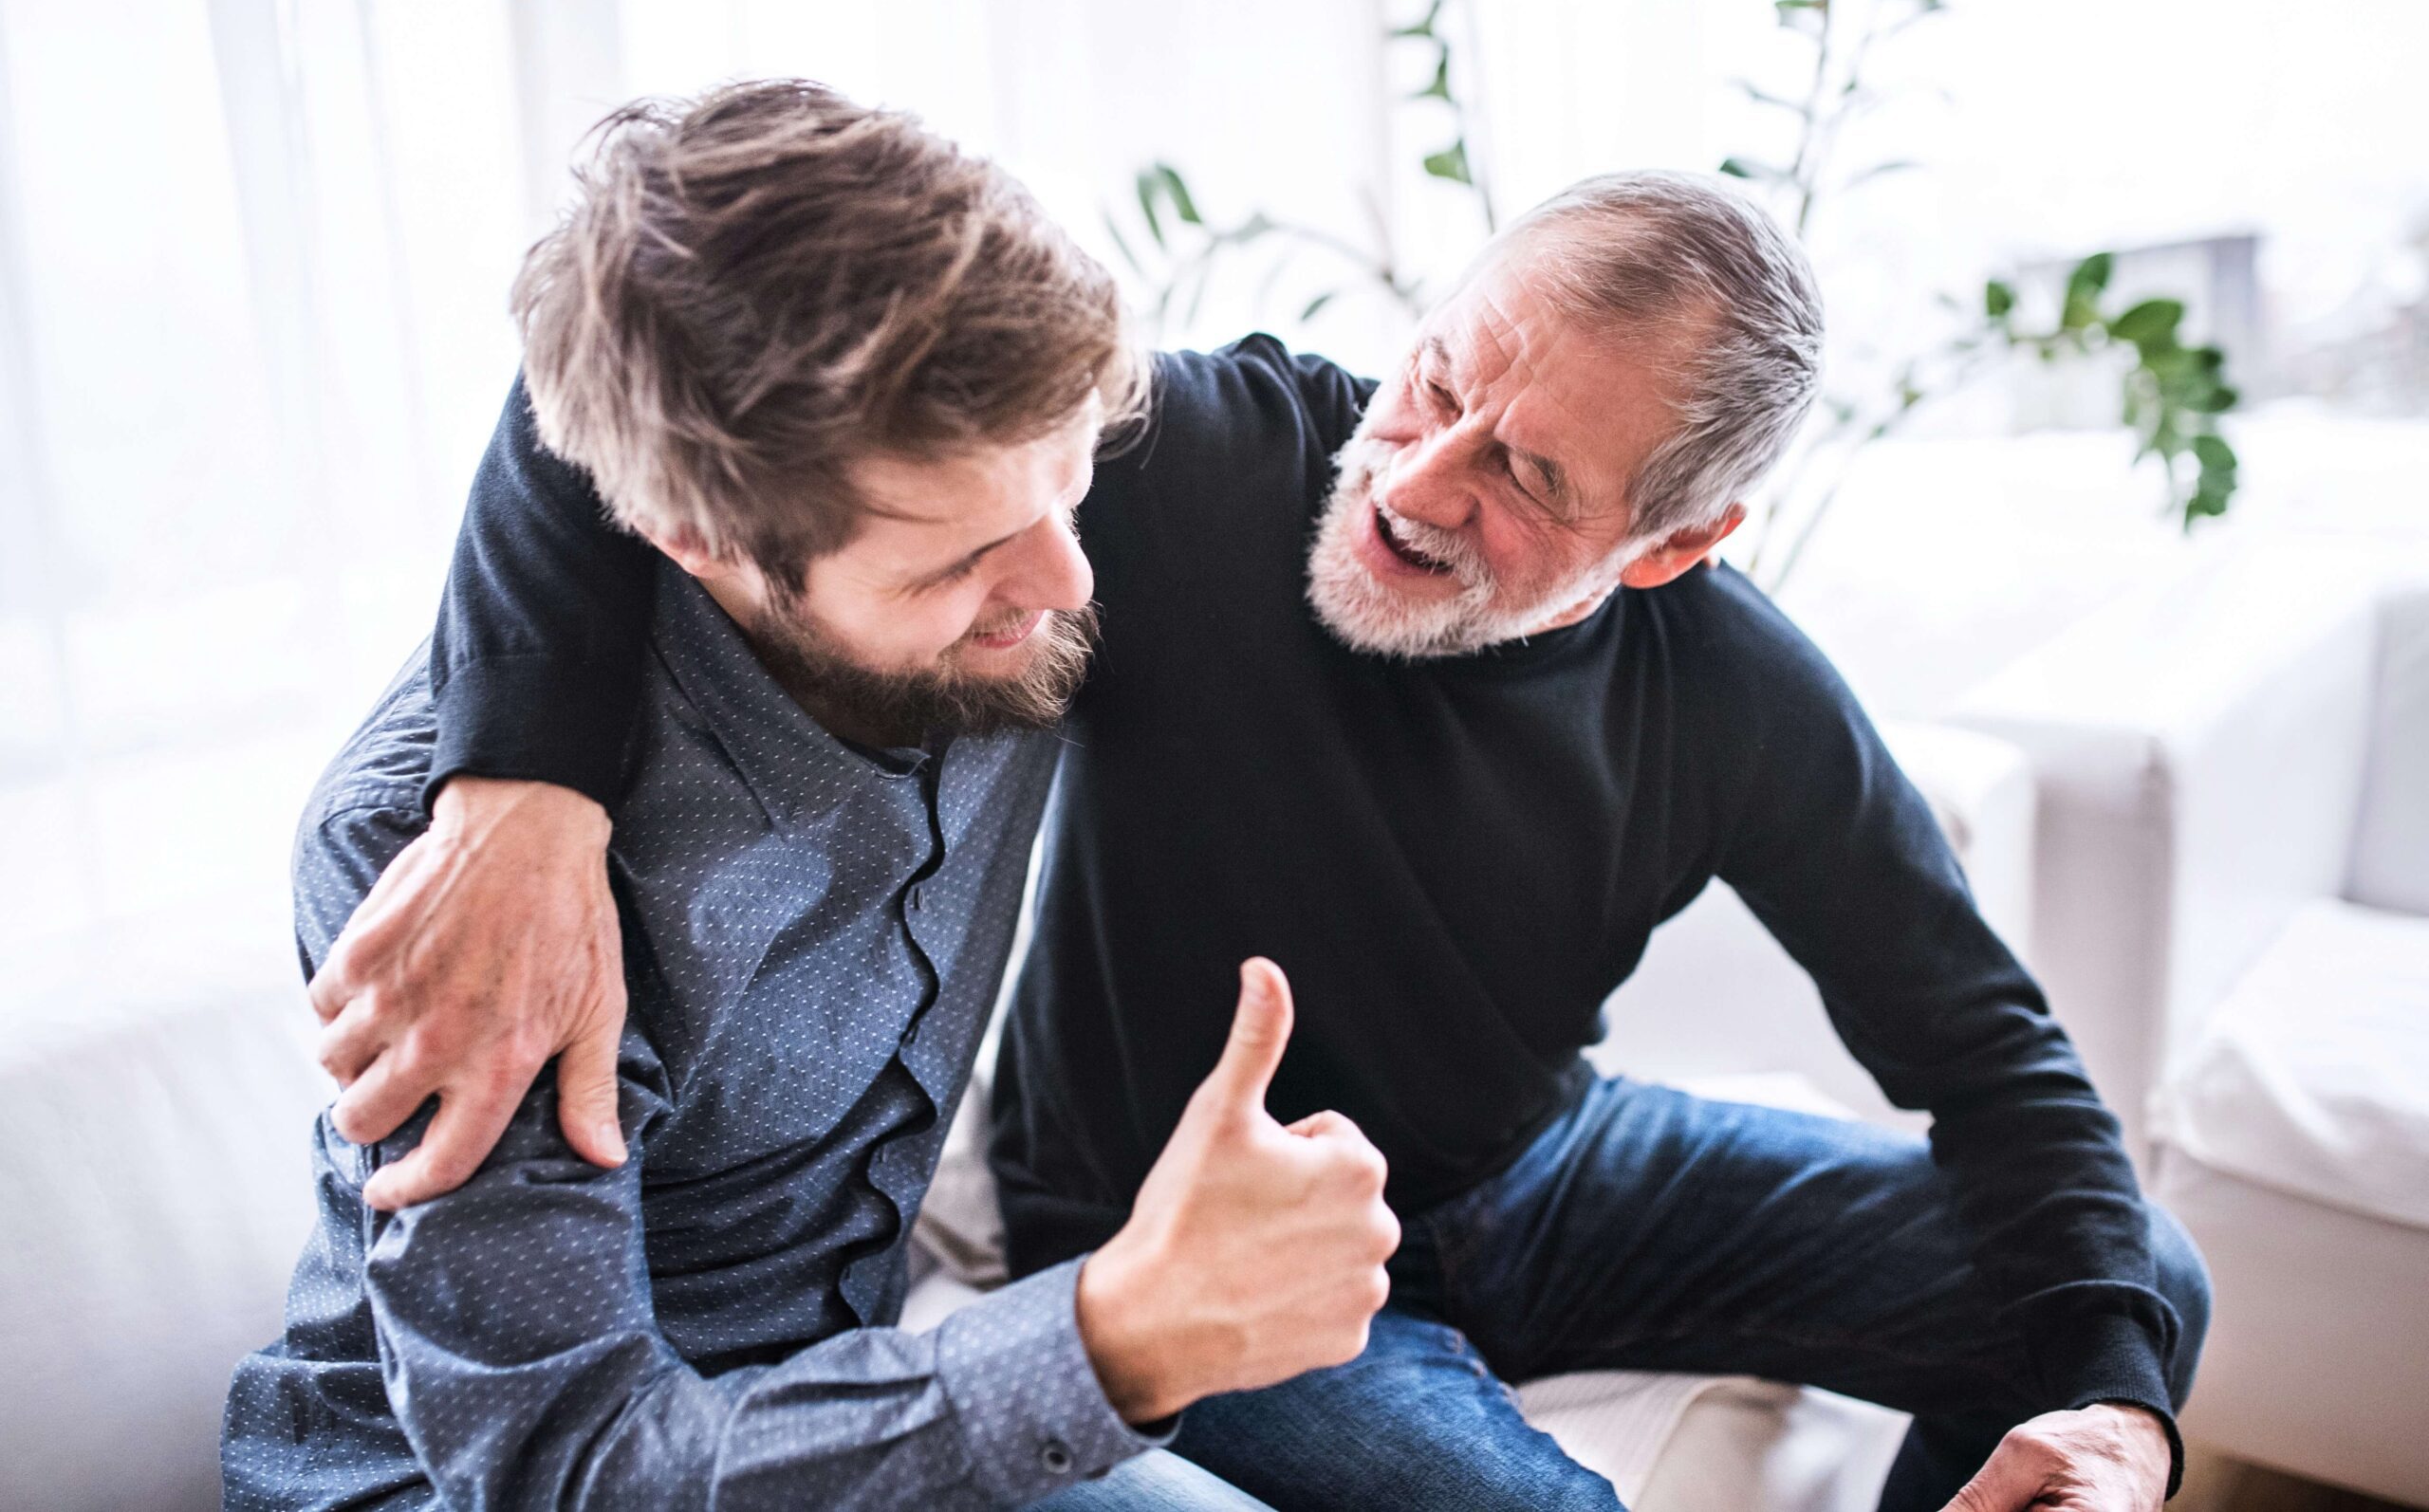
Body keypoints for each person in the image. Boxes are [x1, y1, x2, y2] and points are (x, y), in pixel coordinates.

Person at [304, 167, 2212, 1512]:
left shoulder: (1732, 692)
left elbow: (1987, 1049)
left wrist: (2117, 1417)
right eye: (1442, 376)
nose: (1416, 476)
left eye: (1529, 476)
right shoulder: (1184, 466)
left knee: (2129, 1285)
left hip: (1535, 1168)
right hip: (1164, 1217)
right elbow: (670, 363)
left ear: (1677, 545)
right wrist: (522, 782)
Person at [221, 81, 1402, 1512]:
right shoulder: (445, 877)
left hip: (853, 1419)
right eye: (956, 562)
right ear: (690, 535)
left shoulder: (998, 516)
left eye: (1073, 482)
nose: (1067, 583)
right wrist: (1115, 1339)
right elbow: (566, 1471)